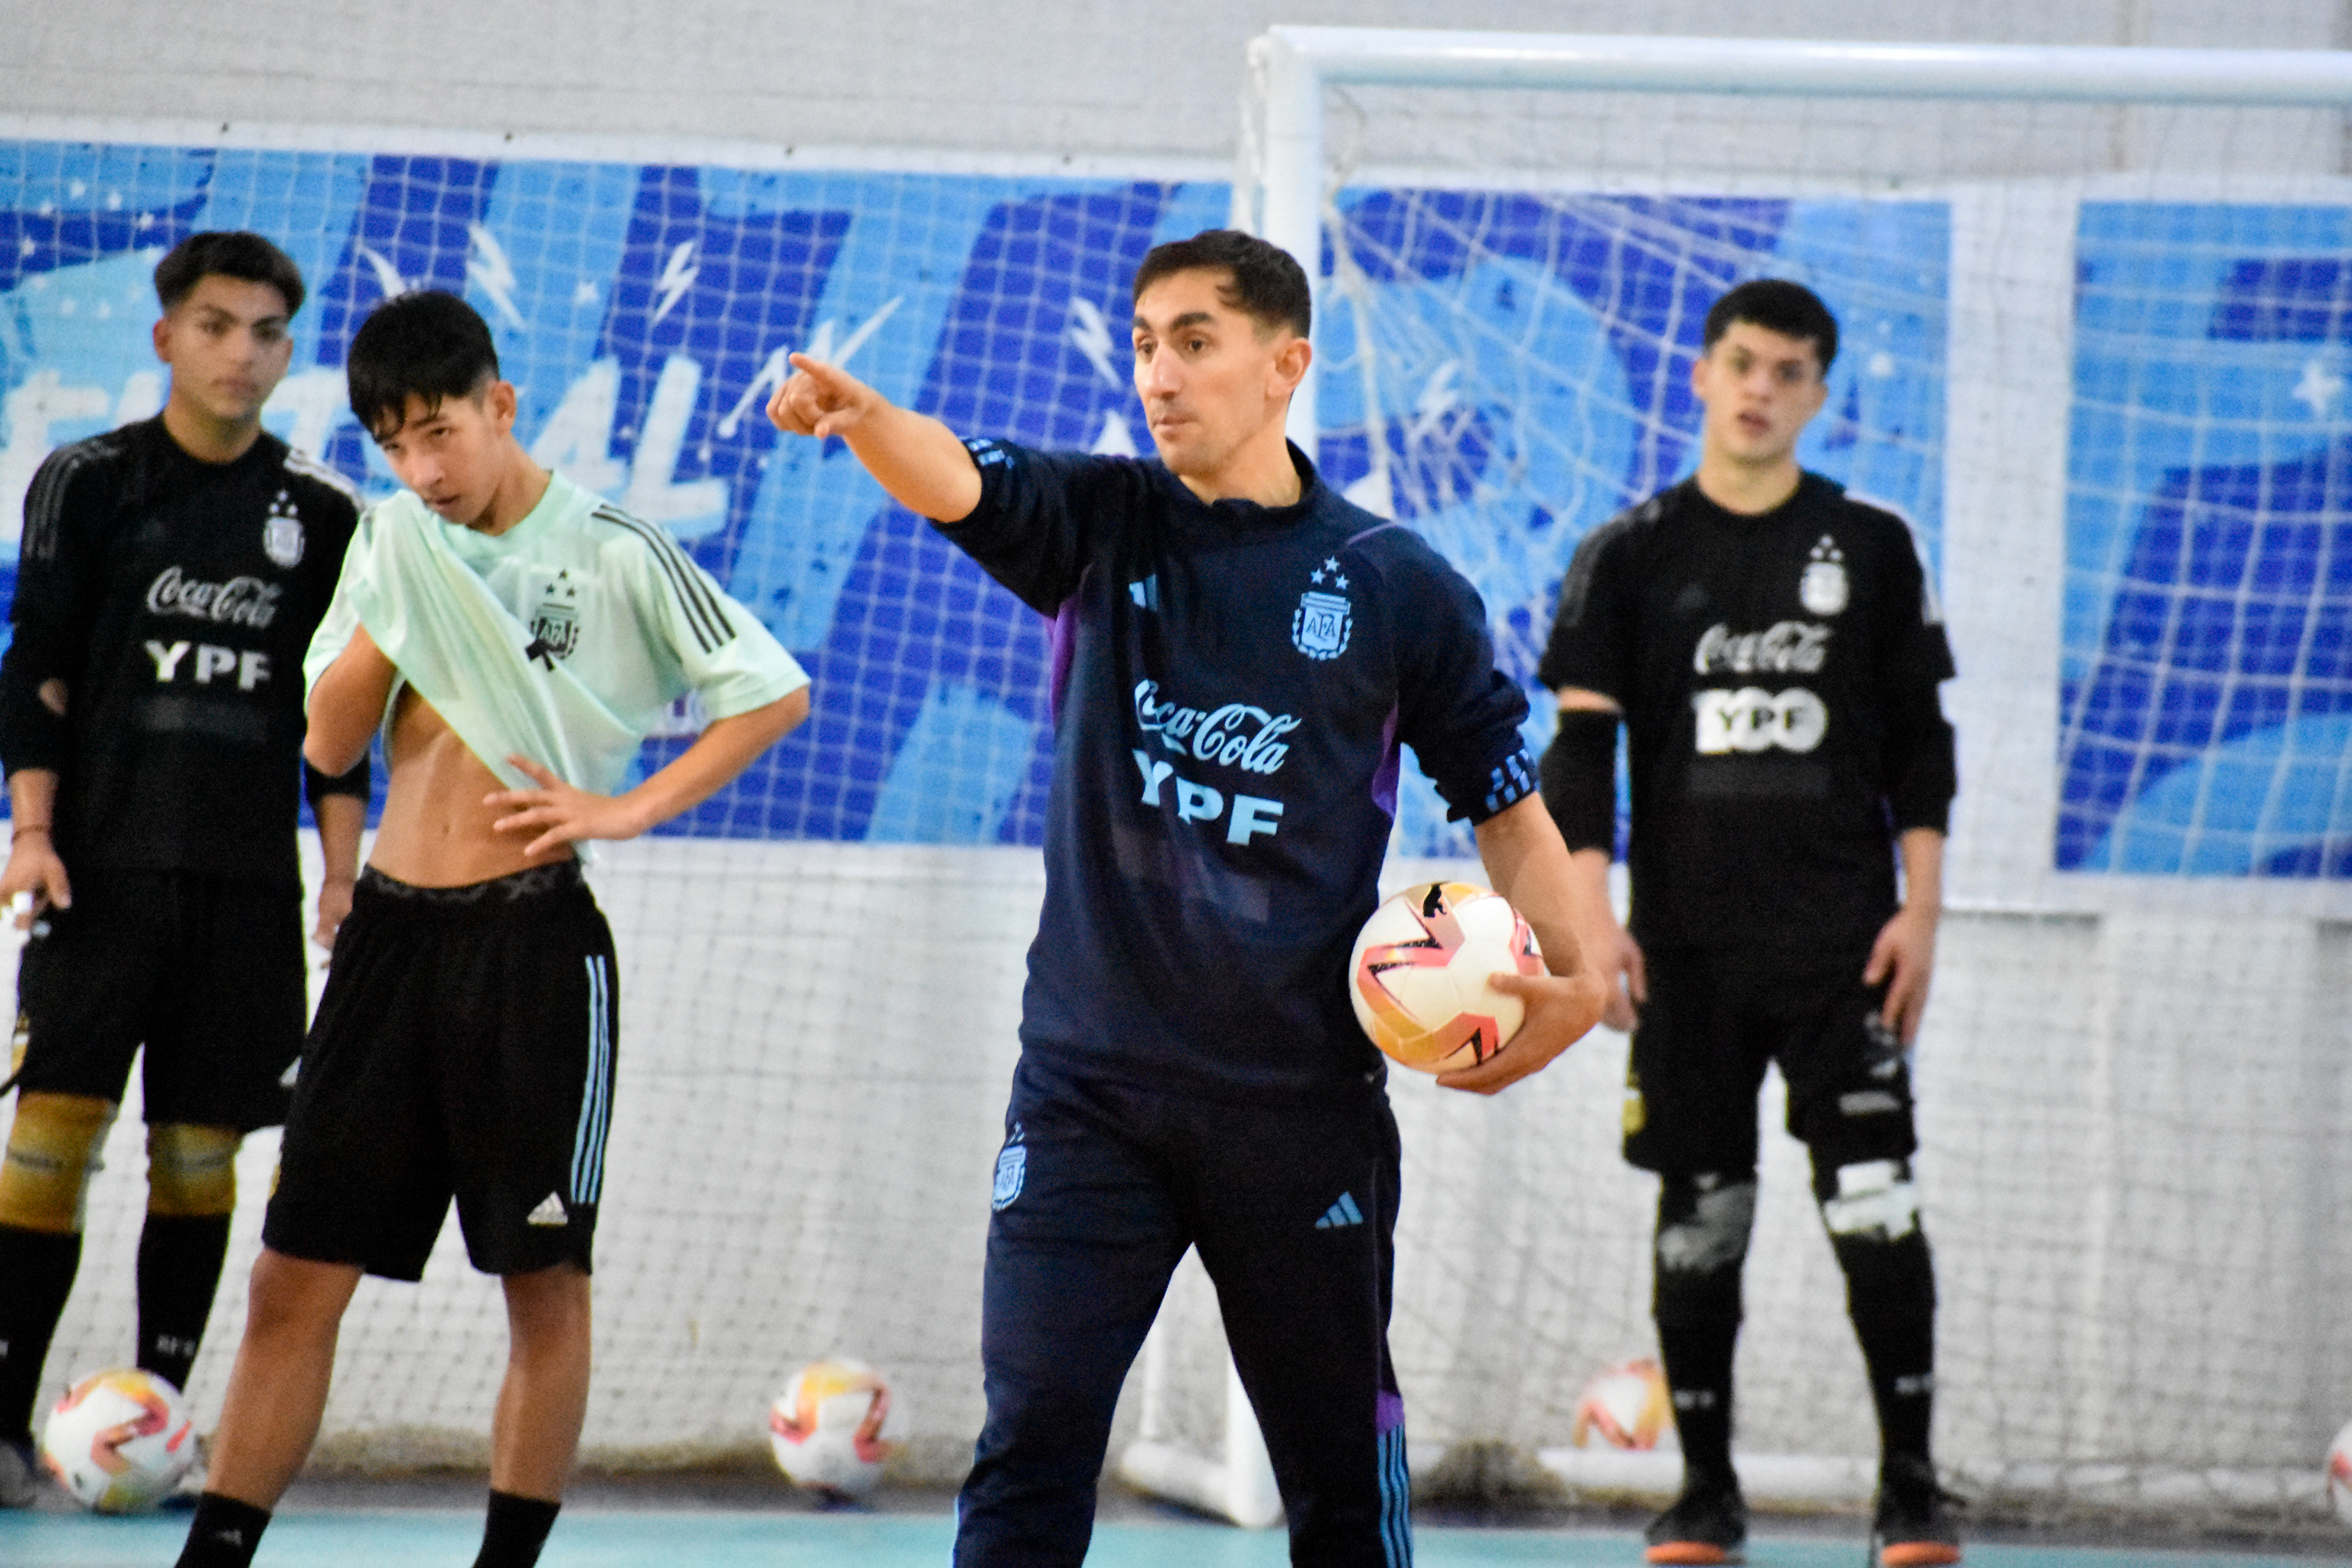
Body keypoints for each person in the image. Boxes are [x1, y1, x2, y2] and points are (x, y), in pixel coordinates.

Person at [766, 227, 1609, 1566]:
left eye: (1197, 342)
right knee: (1032, 1440)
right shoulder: (1103, 523)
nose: (1160, 373)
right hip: (1087, 1095)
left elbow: (1510, 804)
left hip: (1301, 1110)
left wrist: (1569, 981)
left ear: (1287, 366)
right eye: (1147, 342)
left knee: (1339, 1472)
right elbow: (958, 482)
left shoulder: (1397, 585)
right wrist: (866, 416)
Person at [171, 289, 810, 1568]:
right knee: (292, 1273)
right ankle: (218, 1555)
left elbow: (770, 691)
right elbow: (329, 742)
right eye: (396, 446)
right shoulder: (395, 540)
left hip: (532, 945)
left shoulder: (616, 546)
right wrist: (393, 600)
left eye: (443, 432)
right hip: (390, 940)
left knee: (541, 1281)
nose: (425, 467)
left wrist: (626, 810)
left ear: (500, 406)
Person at [1536, 279, 1961, 1567]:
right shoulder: (1630, 551)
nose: (1762, 388)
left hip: (1844, 950)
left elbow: (1923, 748)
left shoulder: (1873, 547)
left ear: (1819, 394)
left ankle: (1911, 1491)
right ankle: (1705, 1492)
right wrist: (1592, 921)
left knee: (1876, 1208)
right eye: (1742, 363)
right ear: (1702, 376)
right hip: (1686, 957)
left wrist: (1922, 913)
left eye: (1789, 370)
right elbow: (1579, 753)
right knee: (1700, 1218)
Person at [0, 231, 366, 1507]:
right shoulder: (89, 482)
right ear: (166, 337)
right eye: (217, 325)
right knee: (48, 1143)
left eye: (267, 331)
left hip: (246, 892)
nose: (242, 352)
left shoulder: (322, 514)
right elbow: (35, 665)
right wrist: (33, 834)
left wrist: (339, 874)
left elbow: (342, 713)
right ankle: (0, 1423)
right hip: (98, 875)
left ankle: (155, 1413)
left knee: (200, 1160)